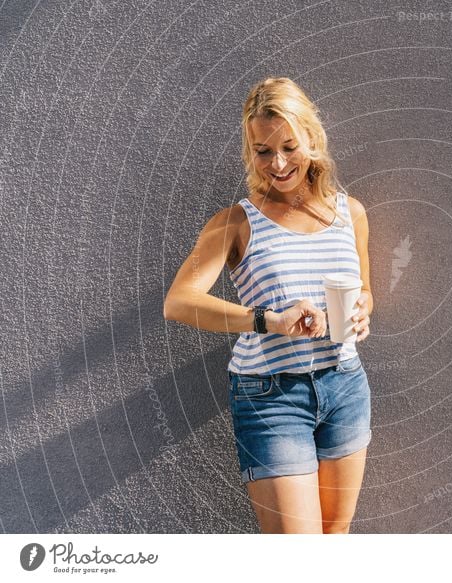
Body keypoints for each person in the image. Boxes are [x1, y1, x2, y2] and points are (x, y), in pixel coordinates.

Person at [163, 77, 373, 534]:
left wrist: (361, 311)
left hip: (345, 387)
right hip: (270, 397)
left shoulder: (349, 213)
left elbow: (365, 290)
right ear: (250, 152)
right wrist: (267, 320)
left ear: (312, 141)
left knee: (336, 536)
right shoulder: (237, 221)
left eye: (289, 147)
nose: (277, 164)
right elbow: (178, 302)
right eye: (262, 151)